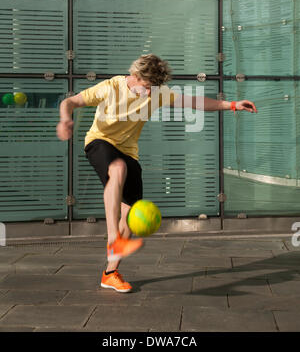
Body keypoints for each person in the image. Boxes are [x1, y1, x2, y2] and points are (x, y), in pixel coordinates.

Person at [56, 54, 258, 293]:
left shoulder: (158, 94)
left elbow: (196, 102)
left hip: (129, 151)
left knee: (131, 215)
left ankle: (110, 273)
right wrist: (64, 121)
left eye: (155, 88)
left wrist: (232, 105)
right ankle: (112, 236)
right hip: (100, 142)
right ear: (136, 77)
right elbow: (68, 103)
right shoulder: (110, 87)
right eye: (147, 87)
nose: (151, 93)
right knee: (117, 168)